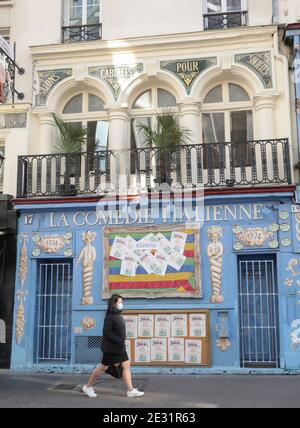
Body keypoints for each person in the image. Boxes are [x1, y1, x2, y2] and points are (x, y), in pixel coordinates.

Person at [82, 294, 144, 399]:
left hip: (116, 347)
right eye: (119, 302)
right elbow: (106, 333)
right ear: (114, 304)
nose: (121, 304)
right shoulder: (110, 317)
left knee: (120, 365)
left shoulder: (116, 315)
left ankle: (130, 390)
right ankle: (88, 386)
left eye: (121, 302)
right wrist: (119, 340)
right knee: (108, 366)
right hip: (113, 348)